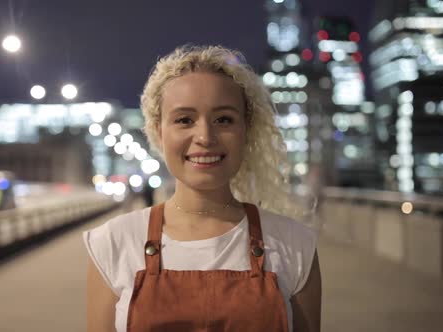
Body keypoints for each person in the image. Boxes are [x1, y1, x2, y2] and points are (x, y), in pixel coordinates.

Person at [83, 45, 321, 332]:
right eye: (184, 120)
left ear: (246, 130)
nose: (205, 137)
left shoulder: (295, 245)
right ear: (158, 131)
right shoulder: (113, 243)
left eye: (223, 119)